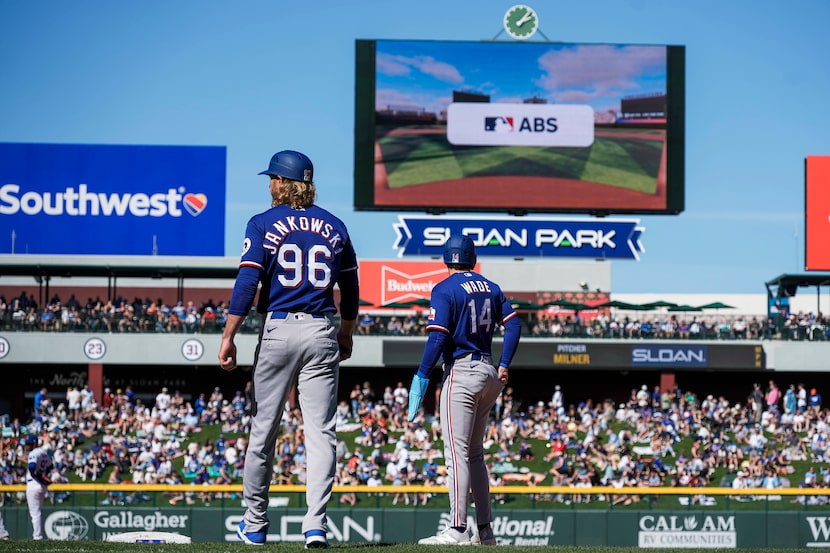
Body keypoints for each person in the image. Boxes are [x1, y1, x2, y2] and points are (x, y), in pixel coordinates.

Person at [219, 149, 359, 550]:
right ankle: (315, 527)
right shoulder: (335, 225)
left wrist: (229, 335)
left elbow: (247, 284)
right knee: (321, 435)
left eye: (273, 178)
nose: (269, 185)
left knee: (264, 429)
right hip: (321, 329)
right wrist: (346, 334)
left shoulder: (263, 222)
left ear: (284, 182)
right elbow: (350, 290)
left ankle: (255, 524)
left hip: (279, 327)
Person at [407, 235, 521, 546]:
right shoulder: (491, 286)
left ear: (447, 259)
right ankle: (485, 532)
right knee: (475, 455)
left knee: (456, 454)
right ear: (471, 258)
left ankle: (457, 528)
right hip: (488, 370)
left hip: (461, 370)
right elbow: (514, 325)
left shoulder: (444, 288)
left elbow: (437, 338)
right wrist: (505, 363)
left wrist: (421, 375)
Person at [25, 435, 53, 540]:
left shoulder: (34, 453)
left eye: (28, 444)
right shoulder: (43, 453)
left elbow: (32, 466)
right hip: (41, 486)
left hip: (33, 484)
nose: (27, 446)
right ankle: (38, 535)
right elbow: (51, 465)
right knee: (38, 512)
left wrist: (39, 477)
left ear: (34, 443)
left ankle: (37, 537)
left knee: (35, 513)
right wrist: (44, 475)